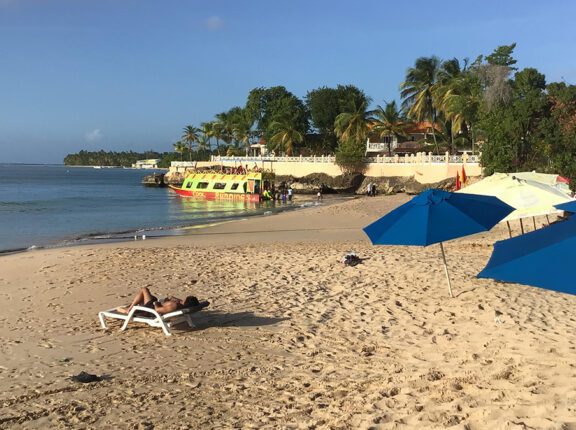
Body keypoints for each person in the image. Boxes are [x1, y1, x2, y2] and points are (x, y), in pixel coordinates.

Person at [116, 287, 199, 315]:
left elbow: (157, 310)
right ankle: (130, 307)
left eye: (184, 299)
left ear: (186, 302)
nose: (182, 299)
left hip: (151, 308)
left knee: (144, 289)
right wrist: (169, 300)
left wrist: (157, 302)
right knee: (146, 294)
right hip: (153, 305)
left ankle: (129, 309)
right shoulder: (180, 304)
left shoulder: (174, 306)